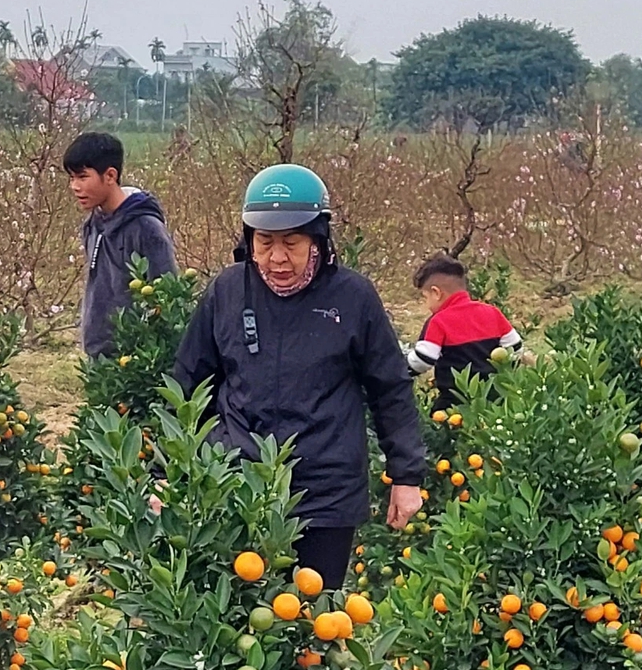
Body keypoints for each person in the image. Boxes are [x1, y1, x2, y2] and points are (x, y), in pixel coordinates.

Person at [174, 164, 427, 589]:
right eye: (265, 242)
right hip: (239, 484)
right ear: (248, 241)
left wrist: (406, 477)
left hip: (324, 490)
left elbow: (390, 389)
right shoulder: (227, 292)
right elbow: (188, 385)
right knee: (240, 616)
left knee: (314, 622)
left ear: (318, 241)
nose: (277, 258)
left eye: (292, 242)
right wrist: (172, 472)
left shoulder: (352, 297)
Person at [68, 132, 177, 358]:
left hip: (134, 360)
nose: (75, 187)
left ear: (110, 175)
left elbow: (167, 298)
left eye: (82, 177)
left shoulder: (147, 229)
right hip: (98, 358)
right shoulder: (92, 224)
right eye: (71, 178)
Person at [407, 253, 523, 412]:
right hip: (496, 399)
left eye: (425, 297)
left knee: (441, 426)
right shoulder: (492, 312)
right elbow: (515, 349)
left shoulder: (438, 321)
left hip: (456, 401)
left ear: (436, 292)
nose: (426, 304)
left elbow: (423, 360)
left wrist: (397, 369)